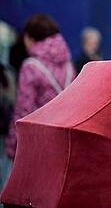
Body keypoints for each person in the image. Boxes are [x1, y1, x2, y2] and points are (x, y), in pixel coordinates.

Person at [5, 14, 75, 161]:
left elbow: (23, 110)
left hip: (39, 142)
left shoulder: (31, 66)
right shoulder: (68, 65)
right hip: (65, 140)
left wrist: (13, 147)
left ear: (30, 38)